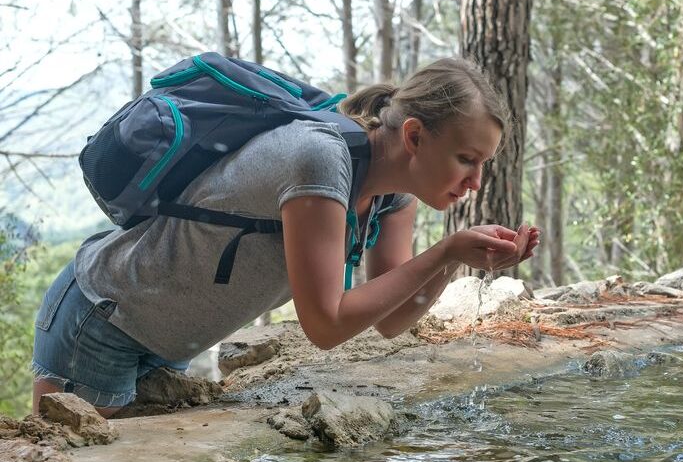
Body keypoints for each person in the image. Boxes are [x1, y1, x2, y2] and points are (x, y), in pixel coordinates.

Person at [31, 58, 541, 418]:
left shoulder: (394, 195)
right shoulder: (319, 158)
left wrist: (453, 260)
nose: (476, 182)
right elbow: (325, 324)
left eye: (483, 164)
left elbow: (393, 321)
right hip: (102, 320)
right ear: (413, 136)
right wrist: (446, 249)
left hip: (164, 340)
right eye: (466, 160)